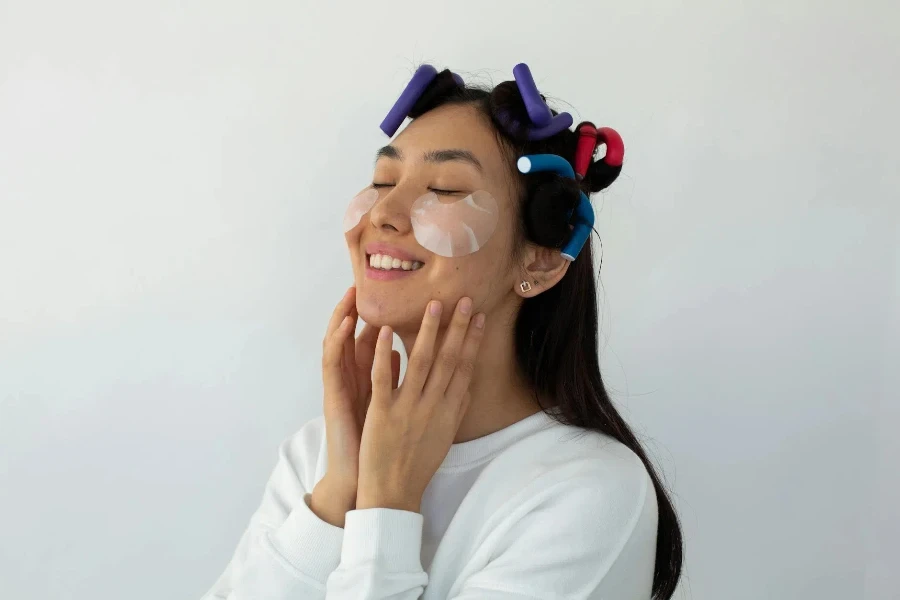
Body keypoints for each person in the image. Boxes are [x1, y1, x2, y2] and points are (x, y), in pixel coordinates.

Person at [202, 62, 683, 599]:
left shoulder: (589, 491)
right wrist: (341, 493)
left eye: (445, 189)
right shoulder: (318, 457)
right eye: (382, 181)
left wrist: (386, 501)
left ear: (543, 259)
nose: (383, 210)